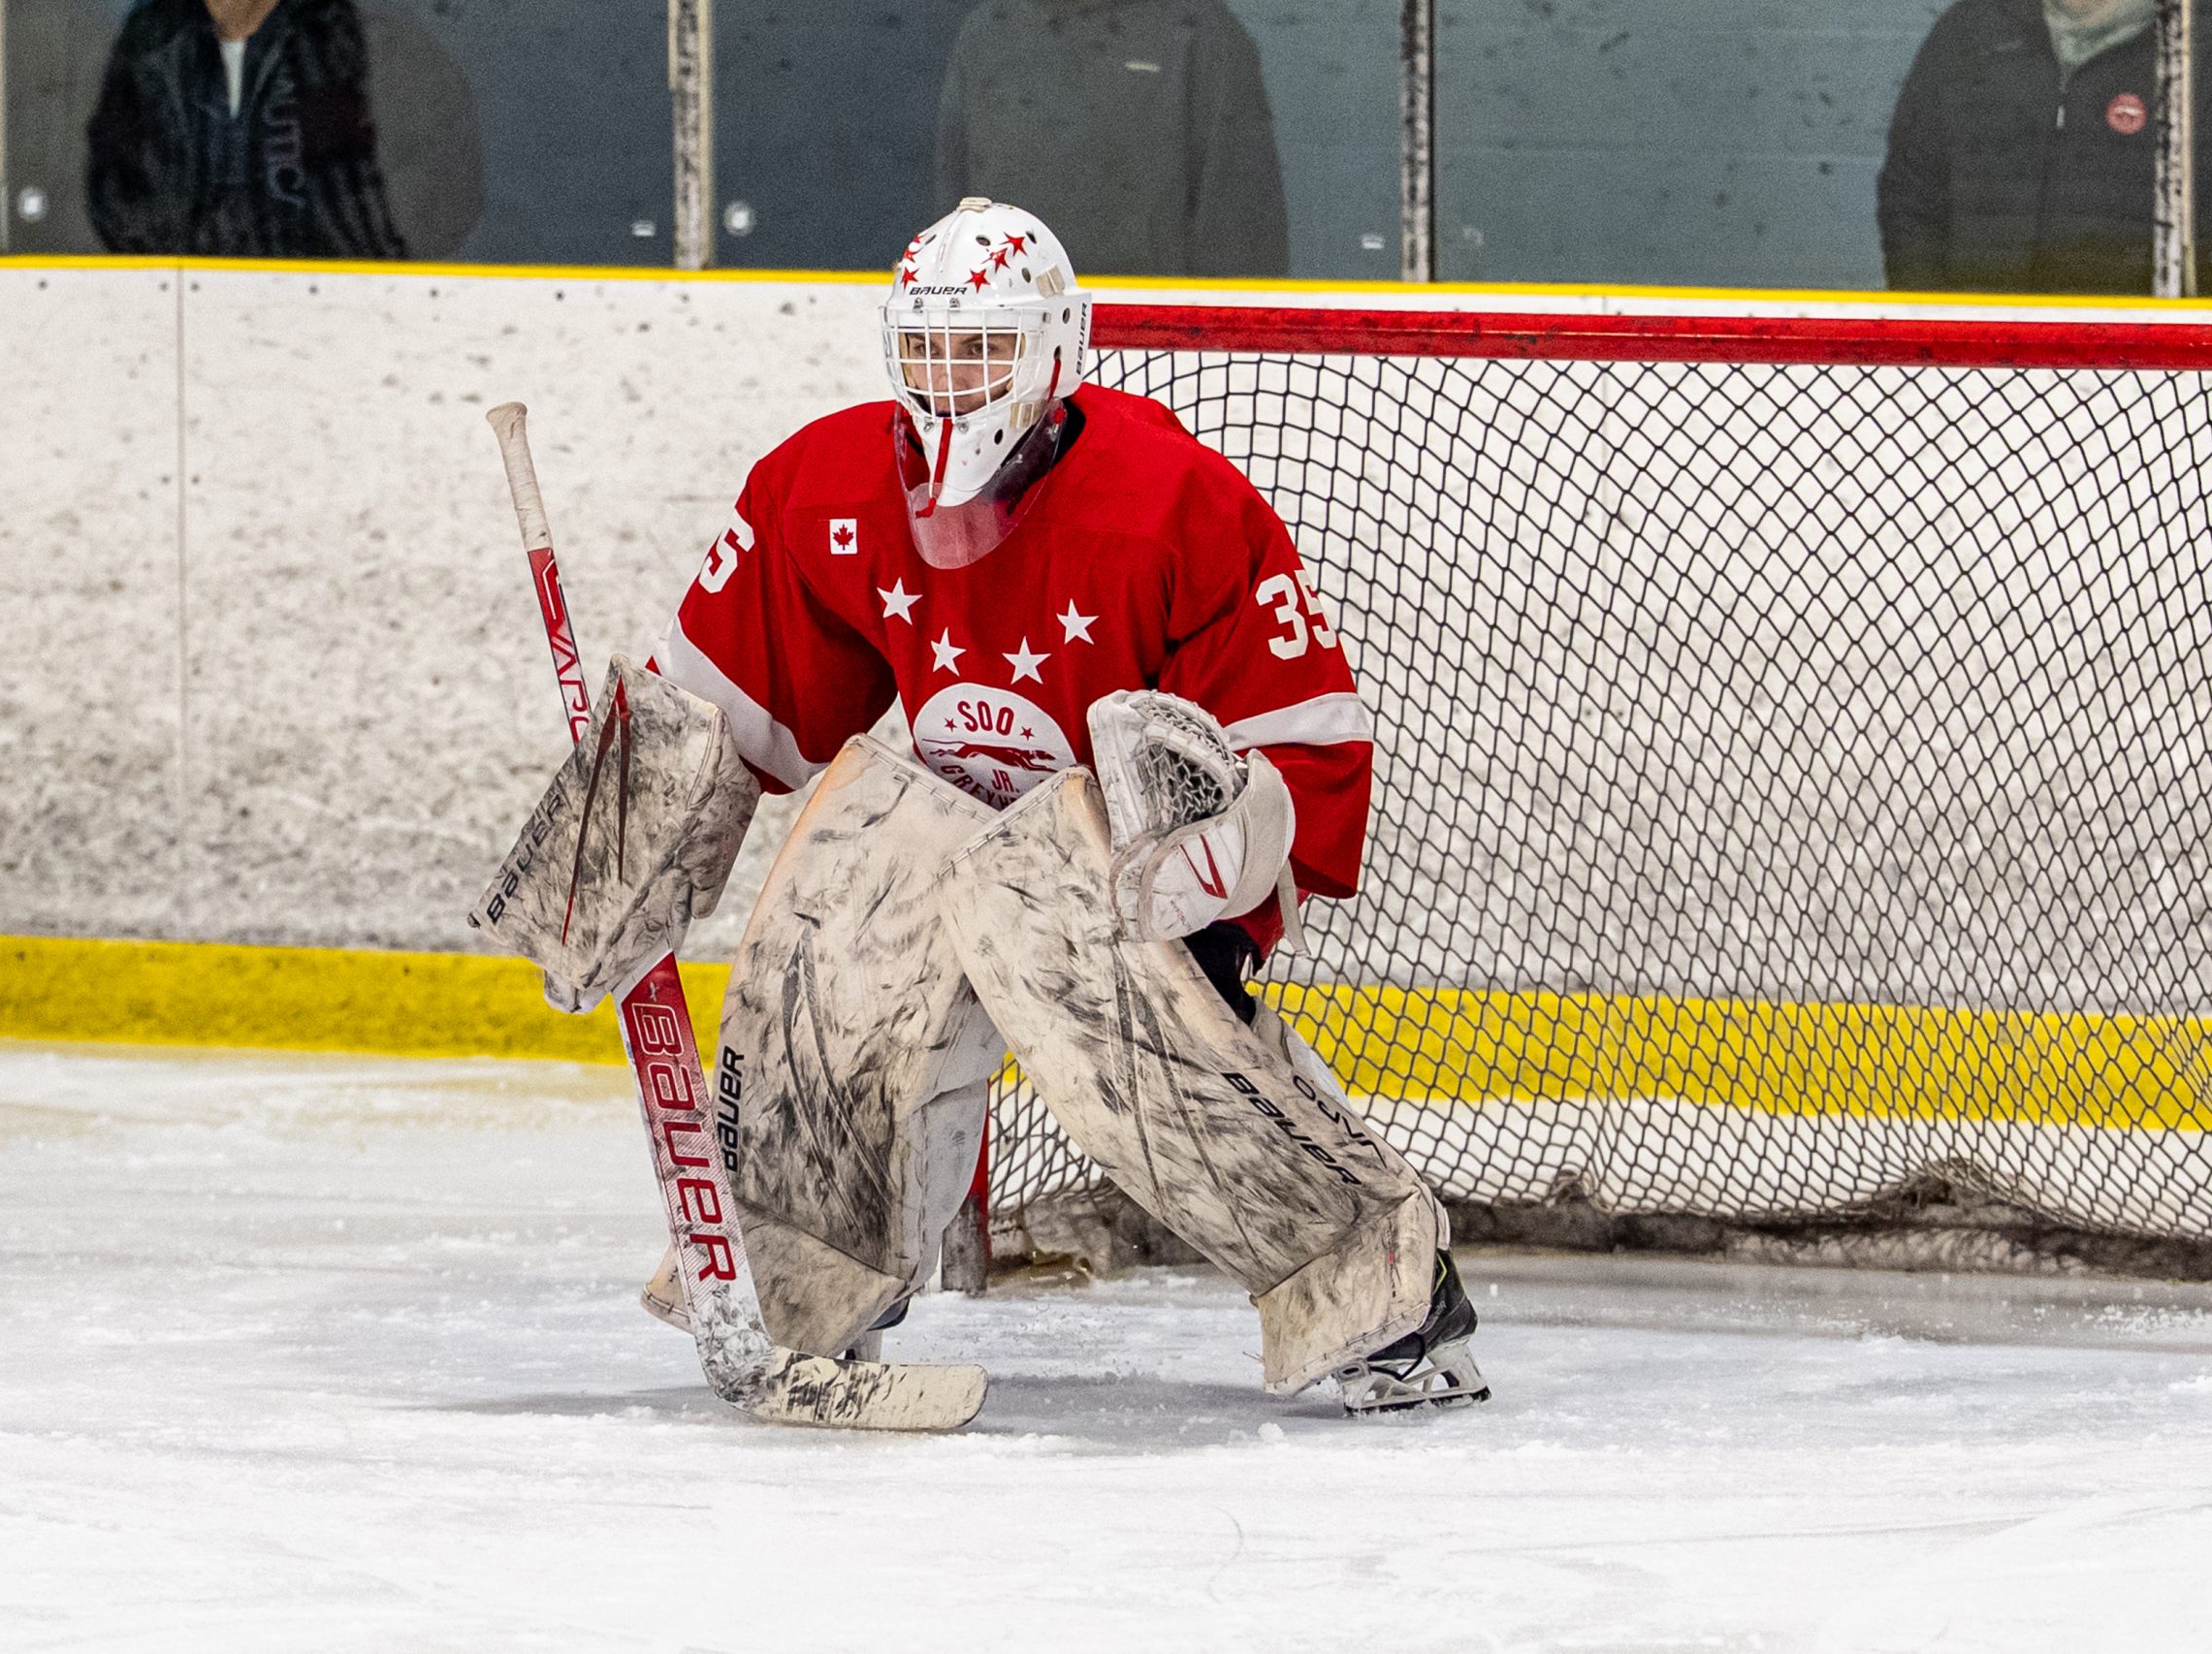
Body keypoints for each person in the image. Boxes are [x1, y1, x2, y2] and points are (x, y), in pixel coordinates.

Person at [486, 199, 1486, 1417]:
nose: (951, 381)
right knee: (854, 873)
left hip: (1133, 865)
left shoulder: (1174, 498)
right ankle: (817, 1267)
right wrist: (617, 859)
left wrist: (1198, 863)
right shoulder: (826, 484)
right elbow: (719, 712)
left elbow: (1309, 750)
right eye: (928, 350)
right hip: (965, 831)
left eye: (984, 349)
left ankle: (1377, 1287)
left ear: (1057, 348)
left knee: (1064, 935)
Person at [934, 0, 1288, 278]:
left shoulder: (1205, 37)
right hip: (1003, 331)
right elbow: (951, 206)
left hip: (1155, 336)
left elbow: (1244, 234)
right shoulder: (987, 33)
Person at [1879, 0, 2211, 292]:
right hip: (1979, 349)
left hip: (2132, 354)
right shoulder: (1972, 31)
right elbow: (1911, 190)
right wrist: (1935, 325)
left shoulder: (2196, 47)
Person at [86, 0, 406, 259]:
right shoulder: (153, 36)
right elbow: (118, 194)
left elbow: (344, 193)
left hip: (301, 303)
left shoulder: (322, 30)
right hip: (173, 303)